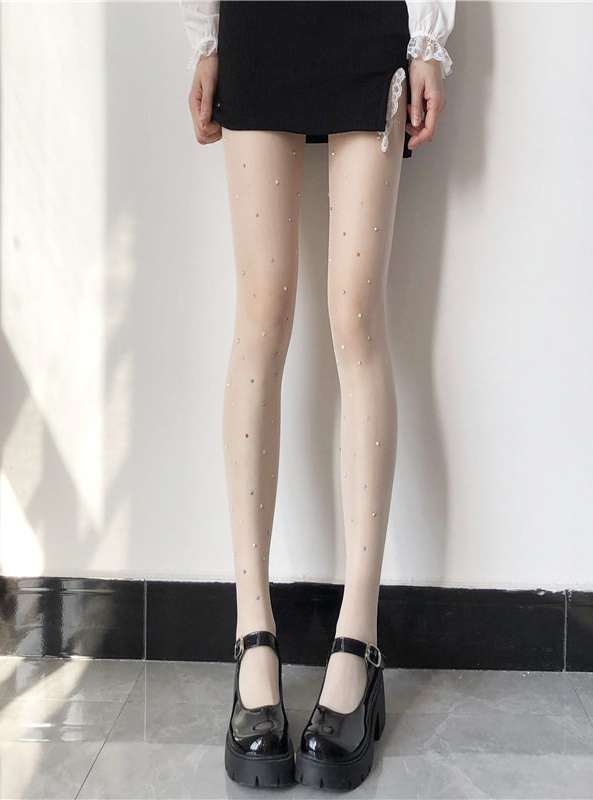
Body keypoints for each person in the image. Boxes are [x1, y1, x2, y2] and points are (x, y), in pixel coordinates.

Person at [180, 0, 455, 790]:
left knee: (356, 317)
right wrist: (207, 37)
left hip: (369, 26)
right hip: (259, 23)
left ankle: (357, 642)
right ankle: (253, 636)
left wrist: (427, 40)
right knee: (262, 314)